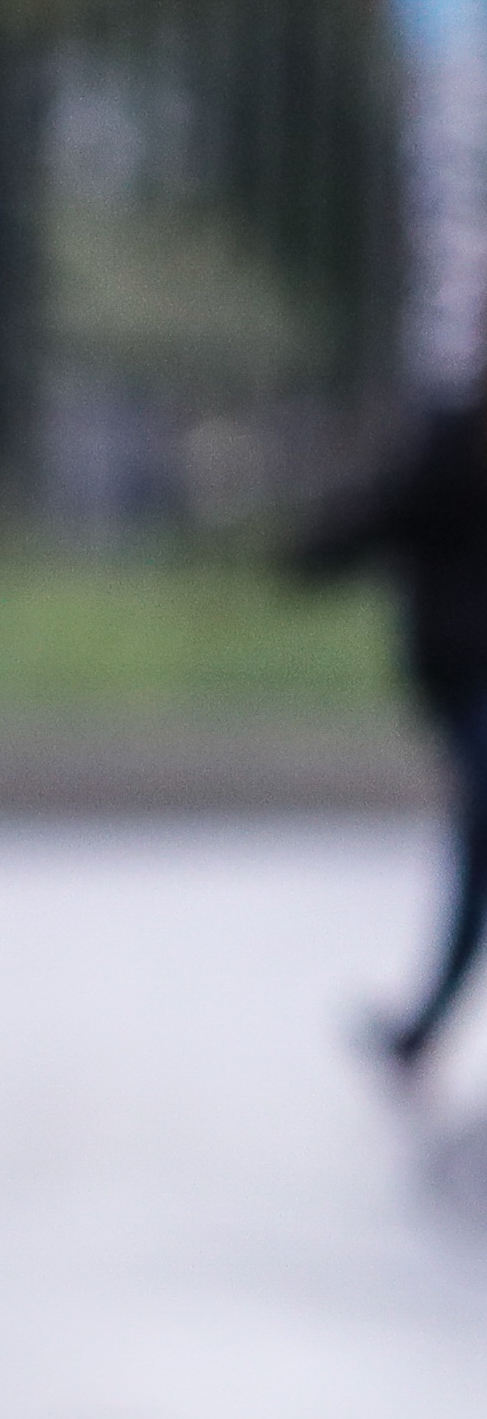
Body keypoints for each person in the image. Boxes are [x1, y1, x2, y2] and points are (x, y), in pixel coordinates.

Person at [295, 399, 487, 1077]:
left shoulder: (454, 436)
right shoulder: (454, 436)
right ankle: (426, 1023)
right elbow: (390, 513)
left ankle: (426, 1024)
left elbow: (385, 515)